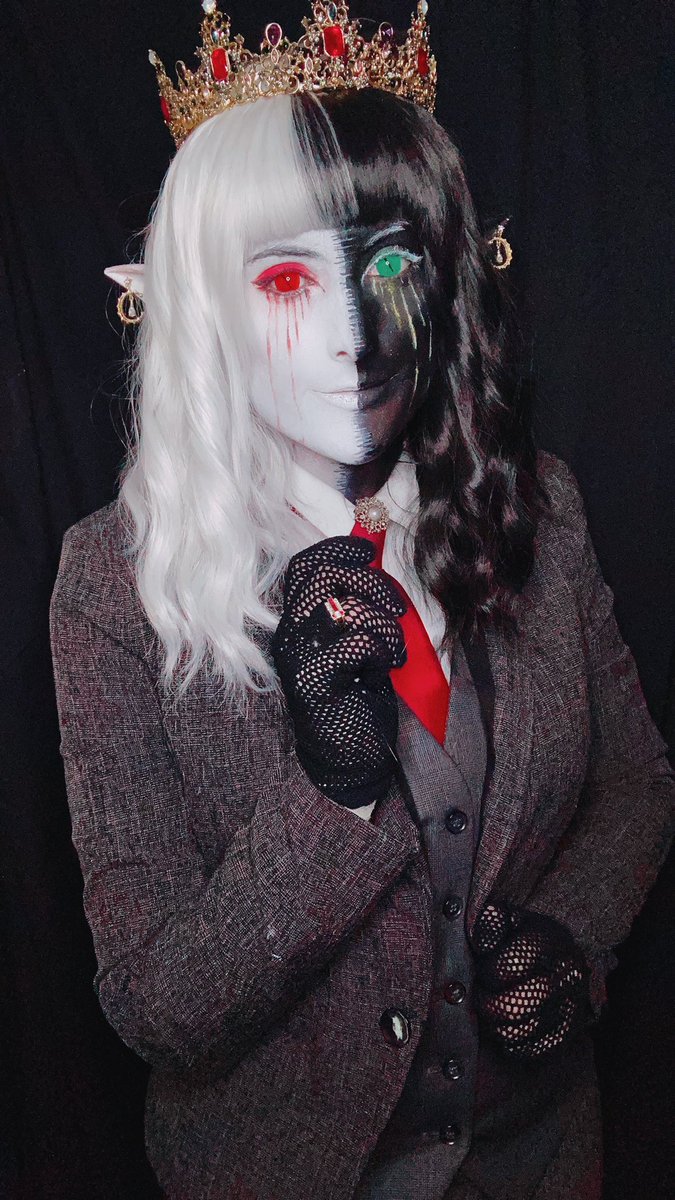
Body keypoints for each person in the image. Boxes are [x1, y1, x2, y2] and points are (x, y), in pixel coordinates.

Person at [49, 4, 673, 1198]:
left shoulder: (538, 504)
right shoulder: (112, 583)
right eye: (288, 278)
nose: (355, 338)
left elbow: (637, 782)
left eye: (389, 264)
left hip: (540, 1161)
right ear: (202, 307)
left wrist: (572, 943)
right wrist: (331, 794)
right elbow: (153, 1002)